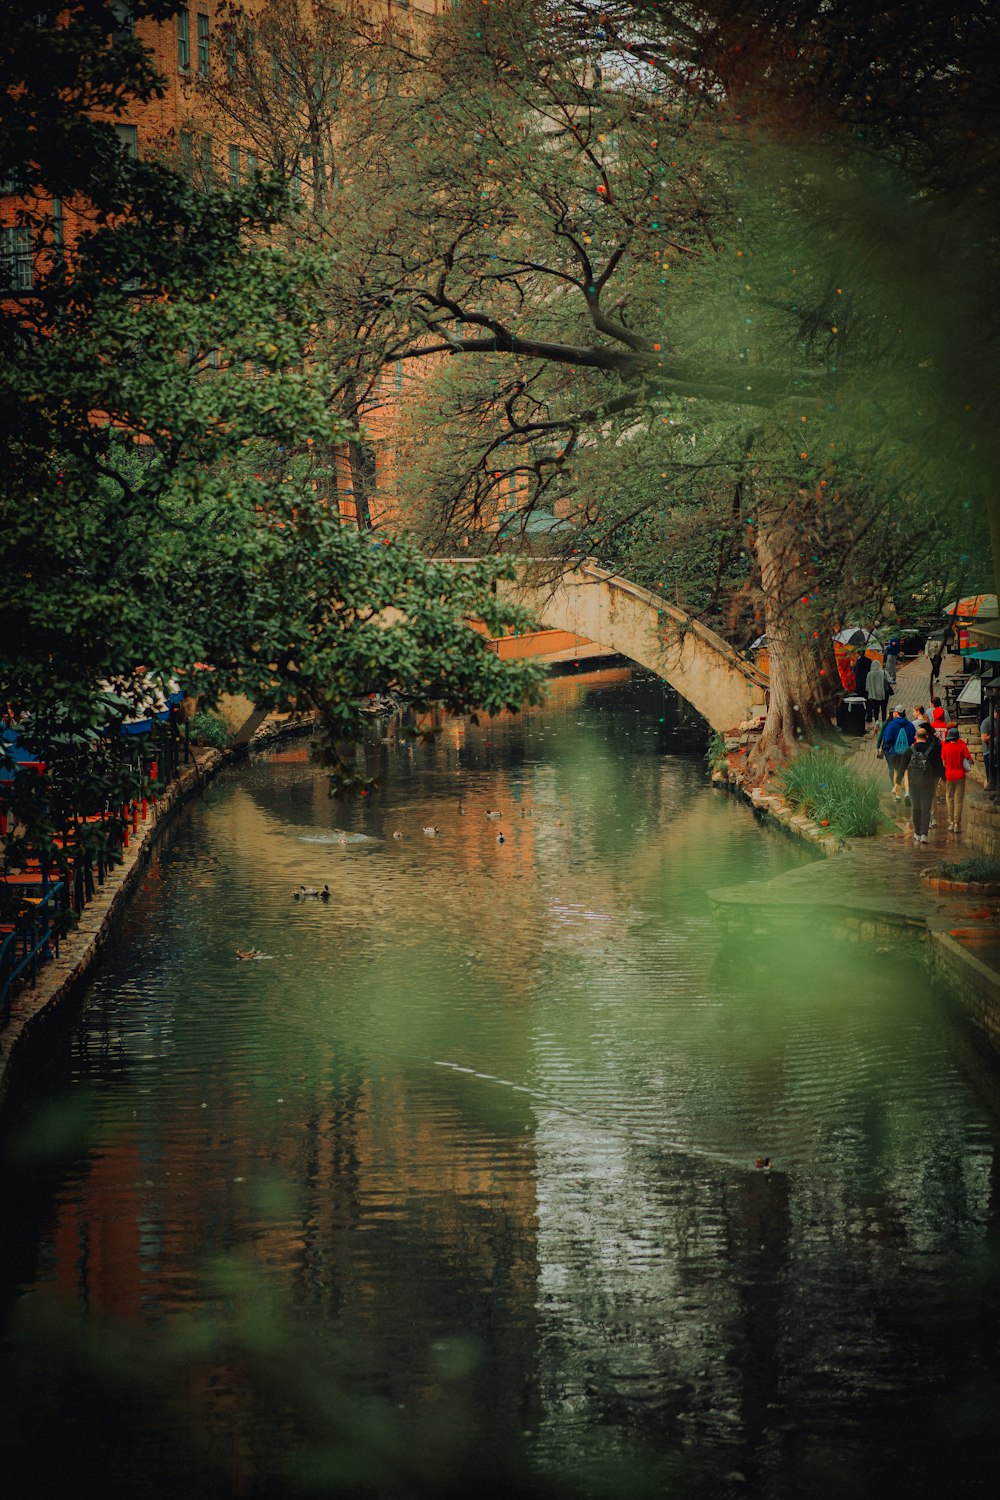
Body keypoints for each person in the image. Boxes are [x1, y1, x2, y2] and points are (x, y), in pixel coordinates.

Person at [898, 724, 943, 844]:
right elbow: (938, 764)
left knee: (916, 809)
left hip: (913, 784)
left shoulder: (909, 751)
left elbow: (902, 767)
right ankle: (924, 834)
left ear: (915, 737)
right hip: (927, 784)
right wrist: (943, 777)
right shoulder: (932, 750)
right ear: (927, 737)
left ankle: (917, 833)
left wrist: (898, 782)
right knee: (925, 809)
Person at [941, 725, 973, 833]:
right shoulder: (961, 747)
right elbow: (969, 760)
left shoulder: (945, 747)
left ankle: (951, 821)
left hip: (949, 776)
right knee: (958, 800)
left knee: (949, 798)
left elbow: (944, 763)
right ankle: (957, 823)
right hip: (960, 776)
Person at [879, 707, 915, 799]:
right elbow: (913, 738)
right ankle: (907, 793)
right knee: (906, 772)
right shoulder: (910, 725)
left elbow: (887, 739)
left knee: (896, 771)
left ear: (896, 713)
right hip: (907, 752)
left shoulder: (891, 724)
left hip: (894, 752)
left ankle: (898, 795)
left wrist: (893, 745)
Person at [865, 655, 887, 724]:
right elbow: (889, 680)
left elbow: (867, 686)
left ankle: (876, 721)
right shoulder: (883, 672)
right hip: (883, 693)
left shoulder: (869, 674)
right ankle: (884, 721)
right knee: (883, 708)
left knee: (876, 709)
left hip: (874, 695)